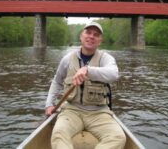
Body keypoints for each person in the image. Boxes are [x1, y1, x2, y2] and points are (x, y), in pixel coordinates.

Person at [45, 21, 126, 149]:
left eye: (96, 34)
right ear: (81, 36)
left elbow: (113, 74)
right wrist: (49, 104)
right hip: (72, 110)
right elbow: (57, 81)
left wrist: (88, 70)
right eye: (88, 32)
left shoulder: (106, 59)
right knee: (59, 134)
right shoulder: (67, 59)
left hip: (99, 112)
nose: (91, 36)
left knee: (118, 137)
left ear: (100, 41)